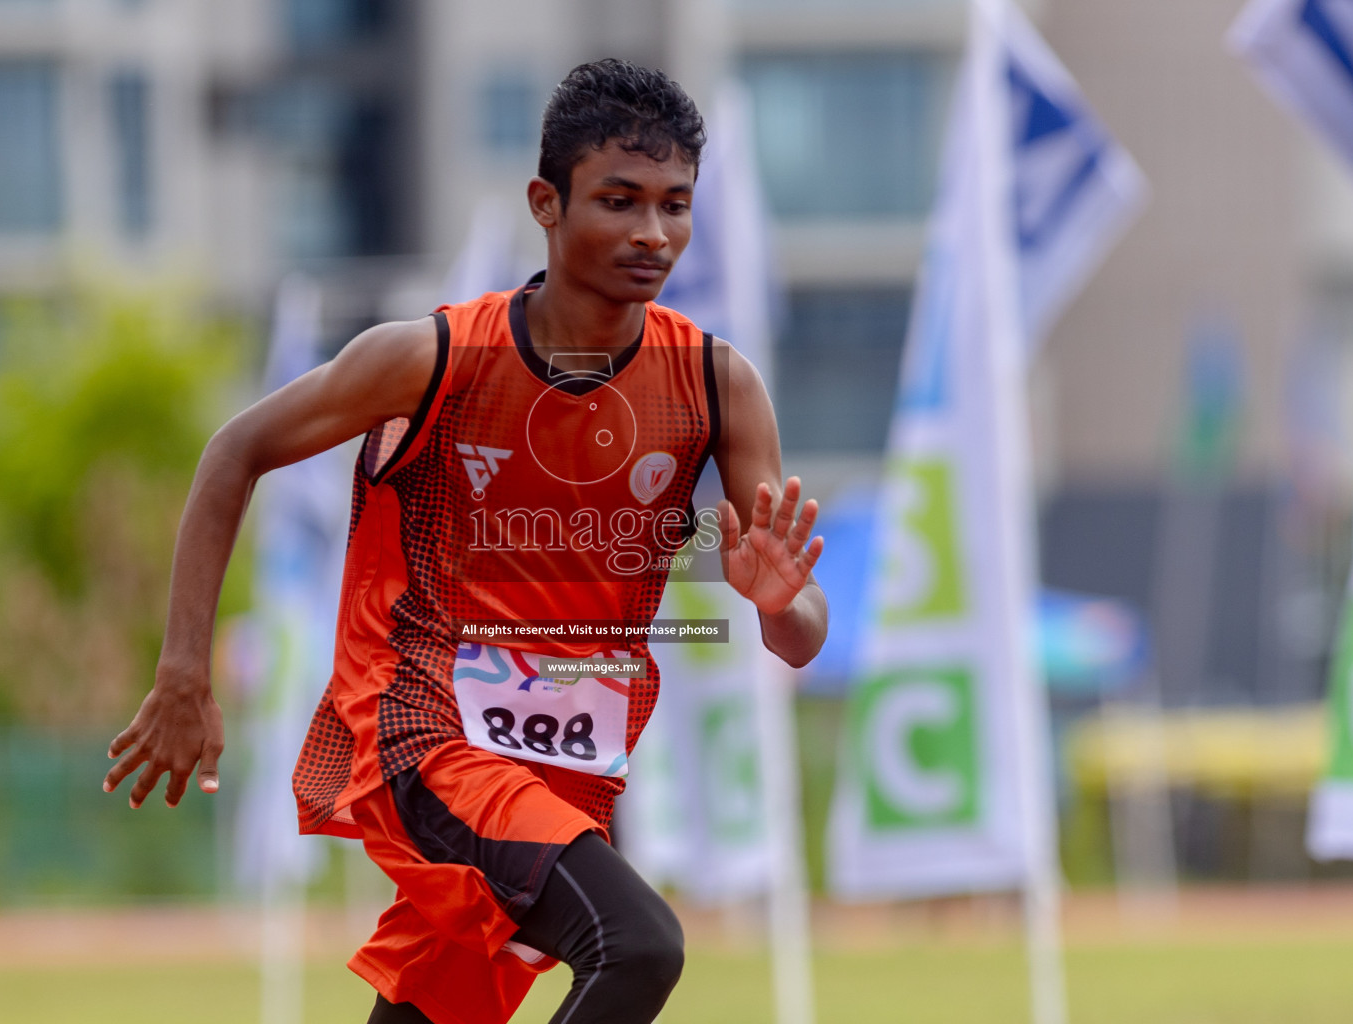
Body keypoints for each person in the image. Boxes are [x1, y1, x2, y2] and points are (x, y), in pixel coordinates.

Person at [102, 58, 827, 1024]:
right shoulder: (432, 358)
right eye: (619, 201)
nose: (653, 234)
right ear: (546, 202)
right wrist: (183, 671)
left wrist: (779, 601)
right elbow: (235, 451)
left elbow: (798, 638)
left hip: (570, 768)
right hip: (424, 734)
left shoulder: (715, 384)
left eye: (674, 205)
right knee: (638, 946)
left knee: (435, 1014)